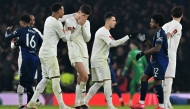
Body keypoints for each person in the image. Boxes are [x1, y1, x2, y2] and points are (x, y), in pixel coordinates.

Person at [84, 12, 138, 109]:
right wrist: (128, 36)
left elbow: (114, 43)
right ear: (108, 21)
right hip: (100, 59)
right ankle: (110, 106)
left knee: (98, 83)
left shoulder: (104, 31)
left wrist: (124, 41)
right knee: (108, 81)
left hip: (95, 59)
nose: (115, 22)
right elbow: (113, 44)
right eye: (113, 20)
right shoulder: (103, 31)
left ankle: (85, 102)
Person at [27, 3, 73, 109]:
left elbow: (63, 18)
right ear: (58, 11)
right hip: (49, 54)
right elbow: (65, 39)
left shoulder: (49, 19)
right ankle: (62, 105)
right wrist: (69, 31)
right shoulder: (57, 24)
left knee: (46, 79)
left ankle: (31, 102)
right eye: (62, 10)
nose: (63, 12)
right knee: (56, 78)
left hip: (43, 53)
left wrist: (74, 14)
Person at [130, 13, 168, 109]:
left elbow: (157, 49)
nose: (150, 23)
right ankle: (141, 103)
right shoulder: (157, 32)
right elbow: (151, 47)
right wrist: (142, 39)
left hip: (160, 61)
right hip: (154, 60)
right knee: (143, 78)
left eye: (152, 22)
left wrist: (142, 53)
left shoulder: (160, 33)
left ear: (157, 23)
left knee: (157, 83)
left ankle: (161, 106)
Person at [5, 14, 42, 106]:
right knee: (22, 82)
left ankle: (31, 104)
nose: (32, 21)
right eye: (31, 20)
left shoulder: (35, 31)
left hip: (30, 58)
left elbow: (43, 42)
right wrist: (16, 43)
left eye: (33, 20)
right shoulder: (28, 32)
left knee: (32, 81)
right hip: (24, 58)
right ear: (28, 21)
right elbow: (12, 45)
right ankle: (21, 104)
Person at [63, 4, 92, 108]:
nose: (85, 18)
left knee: (80, 79)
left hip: (84, 52)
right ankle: (83, 101)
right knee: (85, 76)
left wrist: (82, 25)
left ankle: (77, 103)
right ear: (78, 12)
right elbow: (70, 38)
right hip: (74, 52)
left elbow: (87, 39)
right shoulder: (69, 21)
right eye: (83, 15)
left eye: (87, 16)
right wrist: (79, 25)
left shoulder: (87, 23)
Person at [162, 6, 183, 109]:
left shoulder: (165, 25)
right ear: (182, 15)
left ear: (171, 15)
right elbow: (167, 35)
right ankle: (165, 105)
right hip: (169, 54)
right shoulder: (177, 25)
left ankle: (166, 103)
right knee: (169, 79)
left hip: (160, 53)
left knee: (163, 80)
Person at [122, 41, 147, 106]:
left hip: (138, 72)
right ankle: (130, 101)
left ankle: (156, 82)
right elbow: (145, 63)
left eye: (131, 44)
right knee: (132, 84)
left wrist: (125, 70)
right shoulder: (141, 52)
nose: (130, 45)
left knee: (141, 85)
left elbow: (129, 61)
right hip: (142, 71)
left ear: (134, 45)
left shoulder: (131, 52)